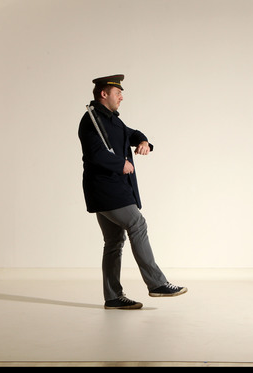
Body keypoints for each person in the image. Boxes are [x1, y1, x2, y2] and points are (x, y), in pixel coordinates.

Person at [78, 74, 187, 309]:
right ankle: (156, 283)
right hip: (106, 189)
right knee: (137, 224)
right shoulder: (91, 120)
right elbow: (94, 154)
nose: (121, 97)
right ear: (103, 94)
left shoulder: (113, 120)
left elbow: (131, 133)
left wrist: (144, 141)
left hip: (115, 188)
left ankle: (113, 297)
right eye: (117, 93)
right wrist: (120, 164)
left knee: (114, 241)